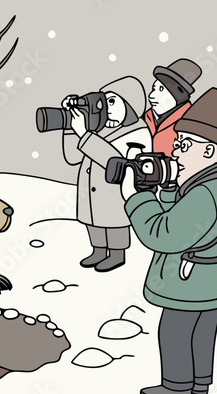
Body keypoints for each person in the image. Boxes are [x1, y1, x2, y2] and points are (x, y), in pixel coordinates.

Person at [122, 87, 217, 394]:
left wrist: (137, 199)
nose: (175, 153)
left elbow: (163, 234)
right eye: (178, 144)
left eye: (184, 145)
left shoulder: (205, 194)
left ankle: (177, 386)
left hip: (190, 281)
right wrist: (168, 190)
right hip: (215, 280)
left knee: (175, 332)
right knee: (203, 333)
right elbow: (185, 218)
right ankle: (200, 381)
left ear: (211, 152)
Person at [62, 76, 152, 272]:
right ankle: (98, 250)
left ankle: (117, 254)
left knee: (114, 224)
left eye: (112, 101)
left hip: (114, 194)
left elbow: (115, 161)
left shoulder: (137, 132)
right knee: (93, 222)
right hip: (91, 194)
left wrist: (85, 135)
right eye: (103, 100)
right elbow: (72, 157)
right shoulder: (98, 130)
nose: (105, 106)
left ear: (130, 105)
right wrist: (71, 127)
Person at [144, 58, 202, 156]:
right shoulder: (144, 119)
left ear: (177, 95)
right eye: (154, 89)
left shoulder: (191, 124)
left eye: (161, 89)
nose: (151, 96)